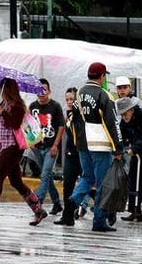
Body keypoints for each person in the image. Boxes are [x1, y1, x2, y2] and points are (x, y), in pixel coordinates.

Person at [63, 62, 126, 232]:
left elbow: (72, 120)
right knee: (102, 184)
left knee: (87, 177)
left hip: (84, 145)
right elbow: (112, 123)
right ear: (102, 76)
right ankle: (99, 221)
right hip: (101, 145)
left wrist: (77, 143)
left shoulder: (80, 93)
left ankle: (72, 201)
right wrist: (118, 148)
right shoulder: (105, 95)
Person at [0, 77, 48, 227]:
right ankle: (38, 209)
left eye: (1, 88)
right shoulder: (3, 104)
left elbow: (14, 124)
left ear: (7, 89)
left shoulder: (17, 106)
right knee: (16, 182)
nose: (0, 91)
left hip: (13, 147)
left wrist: (2, 112)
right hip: (4, 146)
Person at [114, 75, 142, 216]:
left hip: (136, 147)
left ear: (130, 88)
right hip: (125, 145)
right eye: (119, 88)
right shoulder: (116, 103)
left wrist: (135, 146)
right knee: (131, 177)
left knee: (137, 177)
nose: (122, 90)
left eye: (125, 87)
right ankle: (141, 206)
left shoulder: (136, 103)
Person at [30, 78, 65, 215]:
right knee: (47, 176)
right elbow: (28, 125)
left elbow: (61, 126)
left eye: (44, 89)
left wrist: (56, 145)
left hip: (51, 147)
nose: (41, 92)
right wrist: (31, 142)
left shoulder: (55, 106)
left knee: (44, 175)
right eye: (39, 90)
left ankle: (38, 202)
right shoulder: (32, 106)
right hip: (38, 147)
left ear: (49, 91)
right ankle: (57, 203)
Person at [55, 87, 84, 226]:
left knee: (88, 185)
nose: (69, 102)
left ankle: (106, 211)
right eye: (67, 99)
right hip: (70, 154)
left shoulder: (81, 114)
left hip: (82, 154)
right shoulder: (69, 115)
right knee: (68, 185)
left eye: (72, 99)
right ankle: (67, 216)